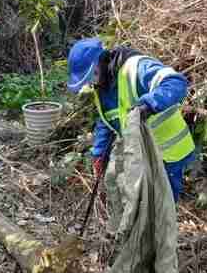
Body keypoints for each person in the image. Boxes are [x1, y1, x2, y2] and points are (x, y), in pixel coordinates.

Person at [67, 38, 195, 202]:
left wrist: (149, 105)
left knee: (161, 212)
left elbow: (176, 82)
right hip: (142, 156)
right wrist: (99, 154)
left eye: (93, 75)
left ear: (102, 60)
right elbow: (108, 121)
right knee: (140, 209)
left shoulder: (136, 68)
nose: (92, 82)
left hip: (169, 154)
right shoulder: (102, 88)